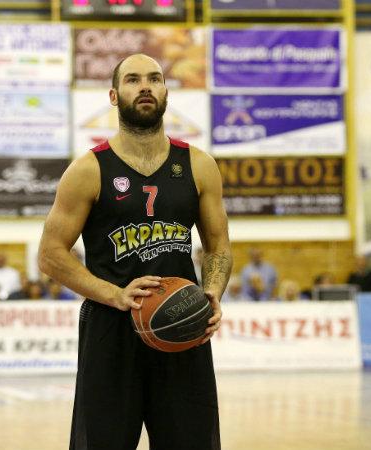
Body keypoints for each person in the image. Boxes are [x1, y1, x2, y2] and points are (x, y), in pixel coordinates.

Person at [38, 53, 232, 450]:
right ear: (114, 95)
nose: (145, 86)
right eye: (132, 79)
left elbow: (217, 246)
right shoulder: (88, 170)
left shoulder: (199, 165)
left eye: (154, 79)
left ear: (165, 92)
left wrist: (212, 291)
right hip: (111, 328)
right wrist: (115, 294)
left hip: (181, 323)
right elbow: (50, 254)